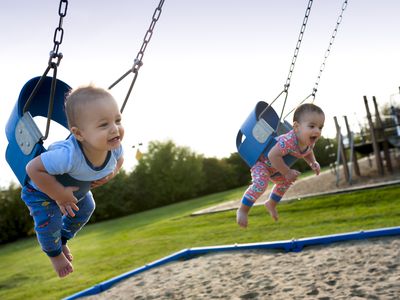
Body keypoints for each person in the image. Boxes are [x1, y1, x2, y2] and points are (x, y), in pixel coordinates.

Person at [22, 85, 124, 277]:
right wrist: (59, 195)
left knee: (87, 207)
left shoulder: (115, 148)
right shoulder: (67, 155)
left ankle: (62, 239)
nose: (114, 129)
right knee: (49, 222)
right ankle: (55, 255)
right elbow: (33, 169)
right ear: (79, 134)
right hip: (41, 191)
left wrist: (112, 173)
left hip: (75, 190)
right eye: (104, 124)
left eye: (117, 120)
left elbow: (119, 161)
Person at [236, 103, 325, 227]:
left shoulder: (309, 142)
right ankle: (243, 210)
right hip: (262, 163)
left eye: (320, 127)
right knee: (261, 184)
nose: (317, 131)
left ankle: (271, 203)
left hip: (276, 169)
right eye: (312, 126)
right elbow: (273, 155)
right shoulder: (288, 141)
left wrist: (313, 162)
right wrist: (287, 172)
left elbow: (308, 152)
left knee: (285, 182)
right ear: (296, 127)